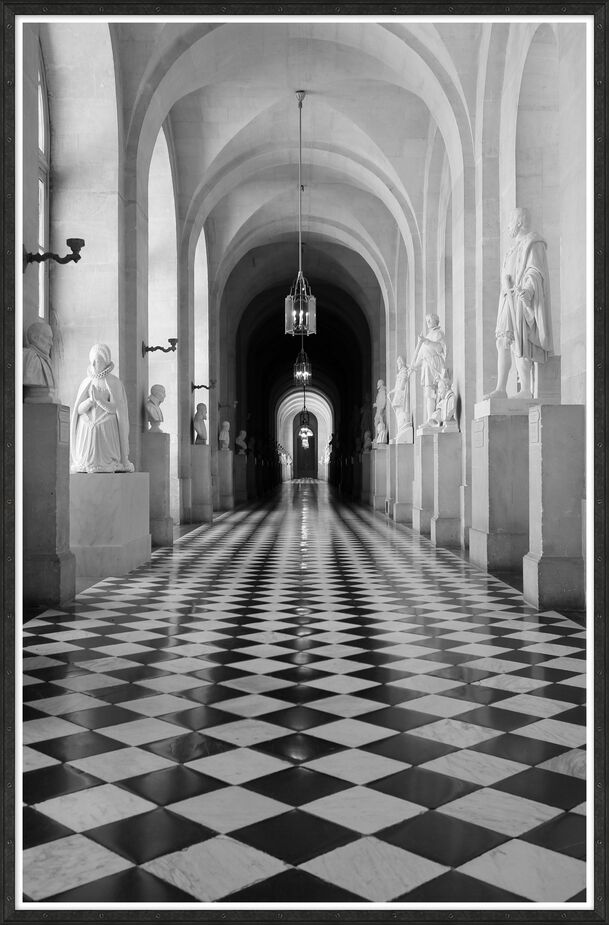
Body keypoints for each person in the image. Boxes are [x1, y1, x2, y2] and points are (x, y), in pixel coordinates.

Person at [486, 206, 552, 399]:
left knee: (519, 340)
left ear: (519, 222)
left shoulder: (533, 243)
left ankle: (525, 389)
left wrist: (528, 291)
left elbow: (536, 271)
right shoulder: (512, 249)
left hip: (521, 298)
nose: (507, 226)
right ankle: (501, 388)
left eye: (510, 221)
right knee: (502, 341)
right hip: (507, 298)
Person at [70, 343, 134, 473]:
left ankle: (110, 462)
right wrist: (90, 401)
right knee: (87, 423)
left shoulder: (114, 382)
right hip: (88, 424)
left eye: (97, 361)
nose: (93, 364)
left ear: (105, 362)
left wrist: (99, 400)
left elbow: (115, 409)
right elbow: (79, 410)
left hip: (105, 422)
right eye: (92, 361)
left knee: (105, 422)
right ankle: (85, 461)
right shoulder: (86, 382)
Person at [407, 313, 446, 423]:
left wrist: (426, 341)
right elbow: (421, 355)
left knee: (439, 390)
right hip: (426, 365)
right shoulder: (427, 336)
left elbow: (440, 348)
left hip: (436, 363)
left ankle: (438, 414)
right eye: (426, 320)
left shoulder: (438, 333)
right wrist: (413, 366)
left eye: (429, 320)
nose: (427, 322)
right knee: (429, 393)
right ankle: (430, 418)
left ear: (435, 321)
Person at [23, 320, 55, 396]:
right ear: (34, 338)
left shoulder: (48, 361)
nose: (51, 343)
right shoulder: (28, 356)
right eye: (48, 338)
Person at [387, 355, 411, 437]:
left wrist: (398, 390)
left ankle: (402, 426)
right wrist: (390, 392)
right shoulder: (400, 372)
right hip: (398, 393)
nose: (398, 365)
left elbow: (402, 385)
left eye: (398, 363)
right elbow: (396, 387)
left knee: (400, 411)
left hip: (400, 394)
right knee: (397, 411)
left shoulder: (404, 371)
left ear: (401, 362)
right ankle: (400, 427)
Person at [373, 379, 388, 443]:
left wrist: (379, 407)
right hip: (379, 410)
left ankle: (378, 436)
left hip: (380, 410)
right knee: (376, 422)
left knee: (378, 422)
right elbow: (380, 402)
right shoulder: (380, 392)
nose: (377, 385)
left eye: (378, 383)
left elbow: (383, 402)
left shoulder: (382, 392)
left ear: (381, 384)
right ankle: (377, 436)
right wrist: (376, 404)